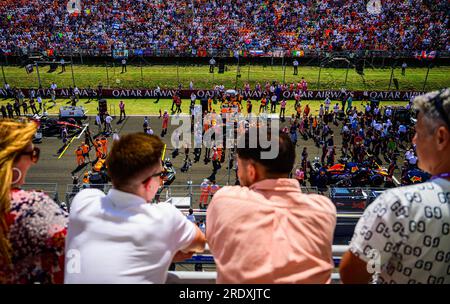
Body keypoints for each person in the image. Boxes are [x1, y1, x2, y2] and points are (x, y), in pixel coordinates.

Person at [340, 89, 450, 284]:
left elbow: (352, 273)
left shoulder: (400, 204)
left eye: (419, 132)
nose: (414, 140)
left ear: (441, 137)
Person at [65, 133, 206, 283]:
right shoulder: (165, 217)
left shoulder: (83, 202)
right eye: (160, 174)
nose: (162, 178)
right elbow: (200, 243)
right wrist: (167, 252)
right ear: (148, 183)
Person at [206, 132, 336, 283]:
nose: (238, 172)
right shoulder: (323, 209)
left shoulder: (225, 200)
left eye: (239, 166)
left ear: (251, 171)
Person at [0, 120, 68, 283]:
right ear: (12, 158)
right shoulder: (32, 205)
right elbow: (73, 251)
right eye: (33, 154)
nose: (33, 161)